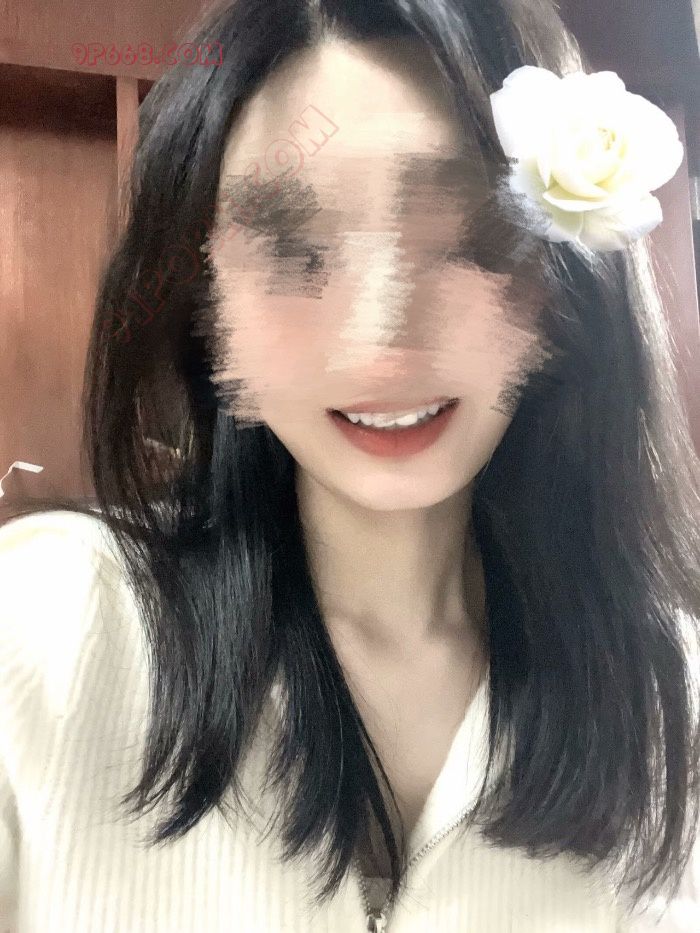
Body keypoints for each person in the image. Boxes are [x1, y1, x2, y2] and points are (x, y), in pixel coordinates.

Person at [1, 1, 699, 930]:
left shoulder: (669, 694)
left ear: (564, 285)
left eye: (468, 238)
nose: (380, 337)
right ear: (204, 306)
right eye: (294, 252)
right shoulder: (44, 627)